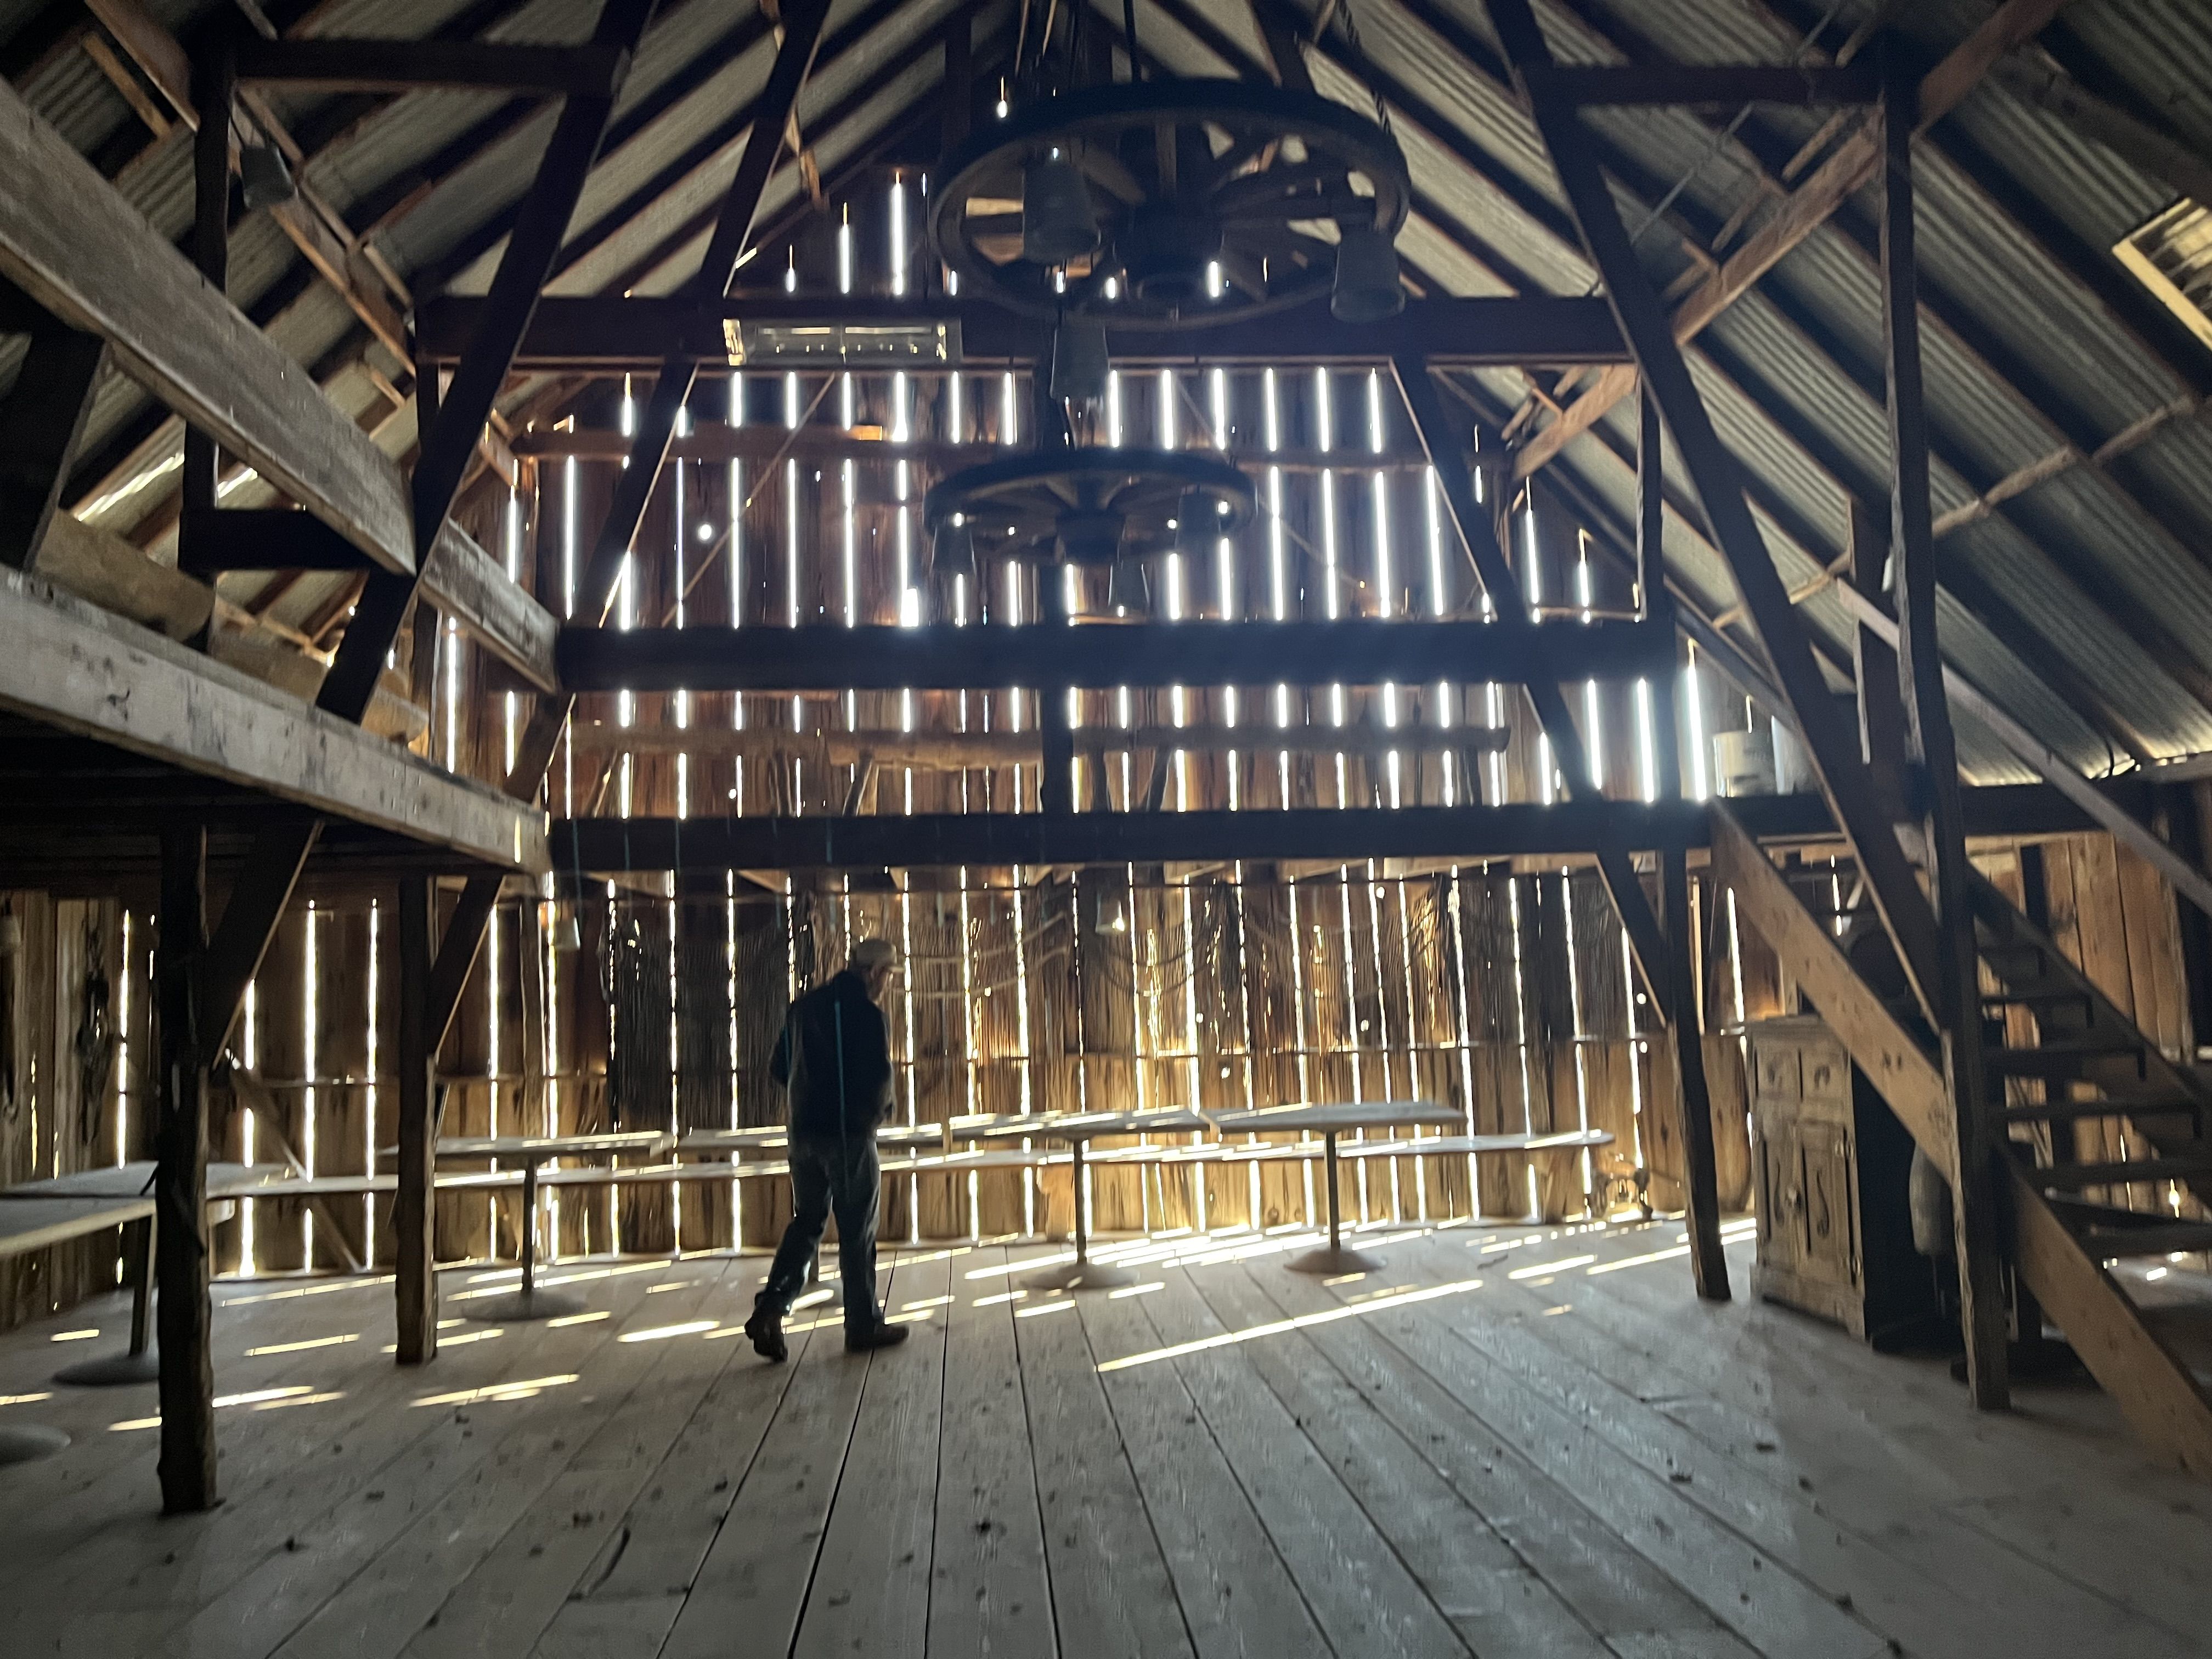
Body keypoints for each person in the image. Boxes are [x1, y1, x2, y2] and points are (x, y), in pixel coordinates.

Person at [742, 937, 910, 1361]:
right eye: (887, 976)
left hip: (803, 1138)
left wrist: (808, 1102)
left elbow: (779, 1068)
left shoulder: (803, 1009)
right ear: (873, 973)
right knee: (857, 1232)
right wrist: (871, 1119)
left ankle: (771, 1308)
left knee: (808, 1222)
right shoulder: (869, 1017)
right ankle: (862, 1324)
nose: (887, 984)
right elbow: (879, 1083)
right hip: (848, 1138)